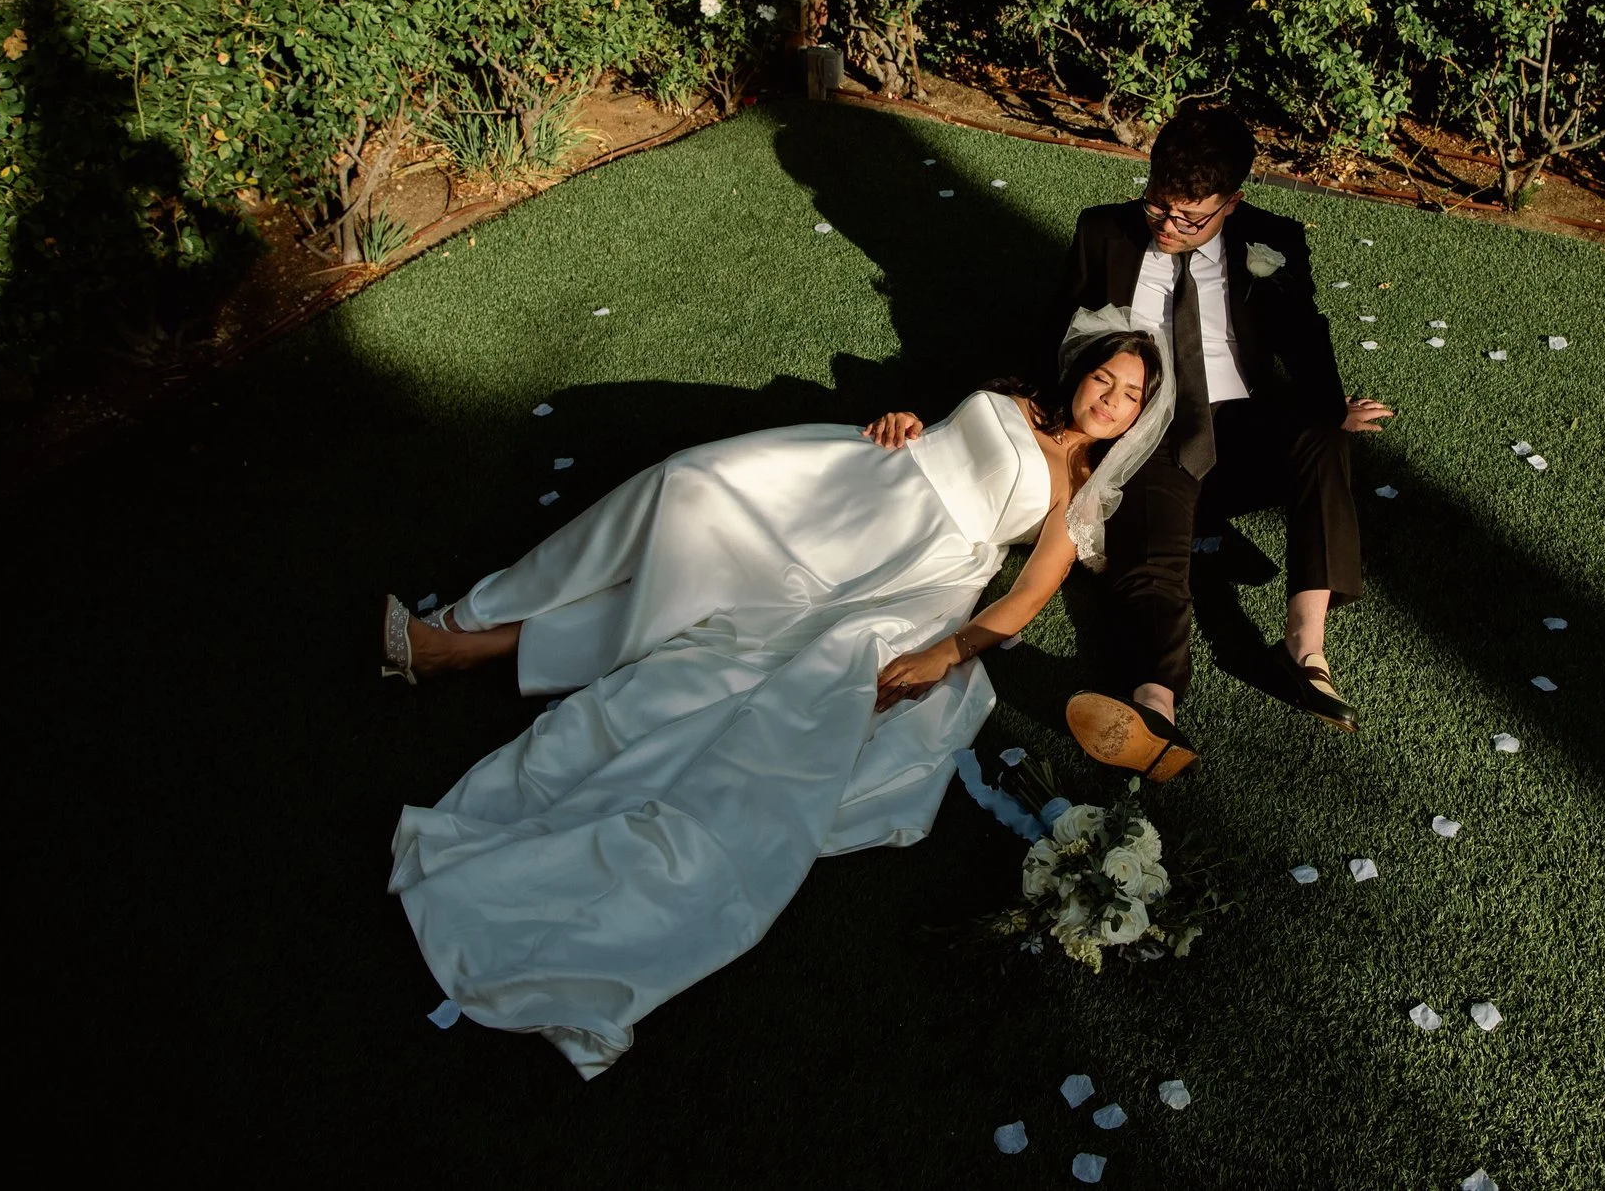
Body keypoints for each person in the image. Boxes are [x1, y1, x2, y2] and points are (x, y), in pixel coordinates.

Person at [378, 315, 1169, 1078]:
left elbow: (1026, 596)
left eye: (1129, 394)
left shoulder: (1079, 488)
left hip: (899, 572)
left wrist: (944, 651)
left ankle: (460, 643)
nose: (1108, 397)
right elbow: (945, 438)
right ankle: (477, 616)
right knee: (684, 486)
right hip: (851, 482)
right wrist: (904, 420)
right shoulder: (1014, 396)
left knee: (704, 659)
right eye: (1104, 375)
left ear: (1137, 416)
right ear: (1080, 369)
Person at [1046, 99, 1391, 781]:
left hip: (1242, 420)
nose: (1169, 226)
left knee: (1321, 440)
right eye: (1158, 206)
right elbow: (1054, 332)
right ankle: (1155, 703)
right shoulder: (1103, 233)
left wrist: (1328, 409)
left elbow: (1305, 332)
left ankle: (1305, 651)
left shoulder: (1274, 239)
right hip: (1155, 422)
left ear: (1231, 204)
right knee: (1151, 539)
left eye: (1190, 216)